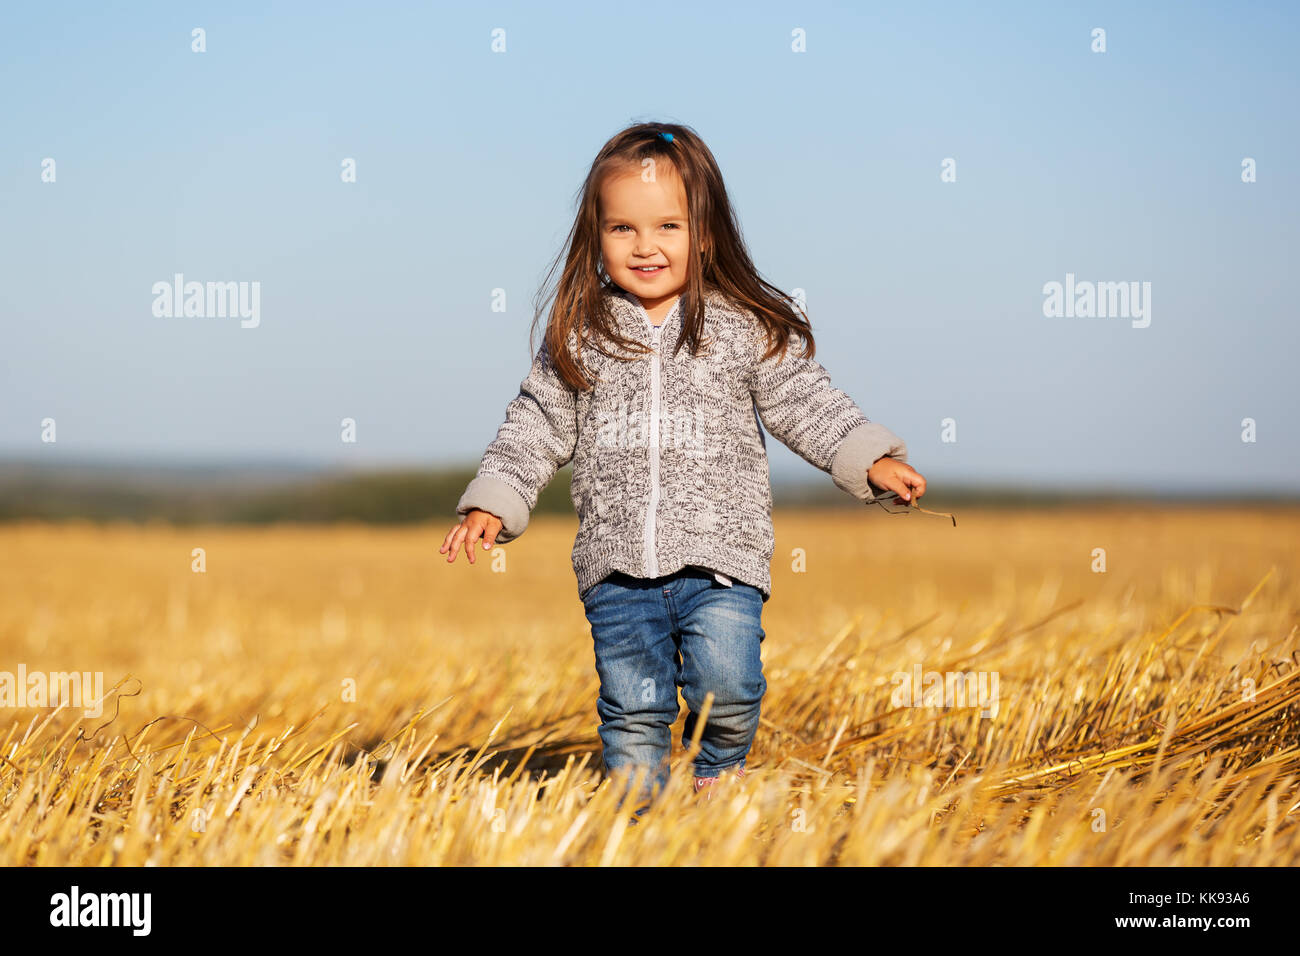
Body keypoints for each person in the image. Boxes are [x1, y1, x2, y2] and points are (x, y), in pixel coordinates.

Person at [440, 122, 926, 814]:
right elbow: (536, 422)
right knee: (632, 710)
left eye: (667, 225)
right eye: (622, 229)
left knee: (726, 684)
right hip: (615, 566)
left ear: (703, 232)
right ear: (595, 238)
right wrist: (496, 497)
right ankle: (639, 825)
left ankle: (720, 763)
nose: (645, 246)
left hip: (720, 558)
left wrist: (868, 457)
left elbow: (803, 402)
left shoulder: (741, 326)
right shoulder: (584, 333)